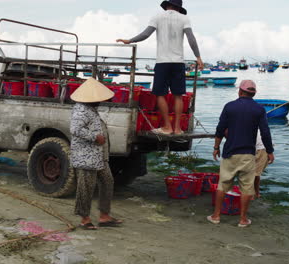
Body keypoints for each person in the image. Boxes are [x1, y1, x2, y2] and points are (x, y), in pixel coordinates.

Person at [116, 0, 204, 135]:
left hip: (162, 62)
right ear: (179, 8)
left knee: (160, 94)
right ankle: (178, 128)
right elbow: (191, 38)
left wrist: (129, 40)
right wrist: (198, 57)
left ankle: (167, 127)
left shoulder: (157, 16)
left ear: (167, 5)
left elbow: (145, 34)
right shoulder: (184, 18)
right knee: (178, 96)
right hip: (178, 62)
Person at [208, 80, 275, 227]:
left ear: (240, 91)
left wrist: (216, 147)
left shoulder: (229, 107)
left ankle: (216, 216)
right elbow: (265, 133)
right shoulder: (259, 109)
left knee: (223, 185)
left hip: (230, 153)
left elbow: (220, 129)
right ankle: (243, 219)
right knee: (247, 188)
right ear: (253, 93)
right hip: (248, 155)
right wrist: (270, 151)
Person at [70, 78, 123, 230]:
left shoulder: (90, 109)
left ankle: (104, 216)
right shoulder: (81, 110)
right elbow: (75, 129)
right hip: (85, 156)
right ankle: (84, 219)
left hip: (98, 156)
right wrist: (95, 137)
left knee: (107, 181)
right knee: (86, 187)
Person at [254, 130, 269, 198]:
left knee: (256, 174)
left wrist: (270, 151)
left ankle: (256, 193)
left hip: (262, 148)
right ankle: (253, 192)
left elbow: (266, 134)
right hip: (249, 149)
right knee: (250, 173)